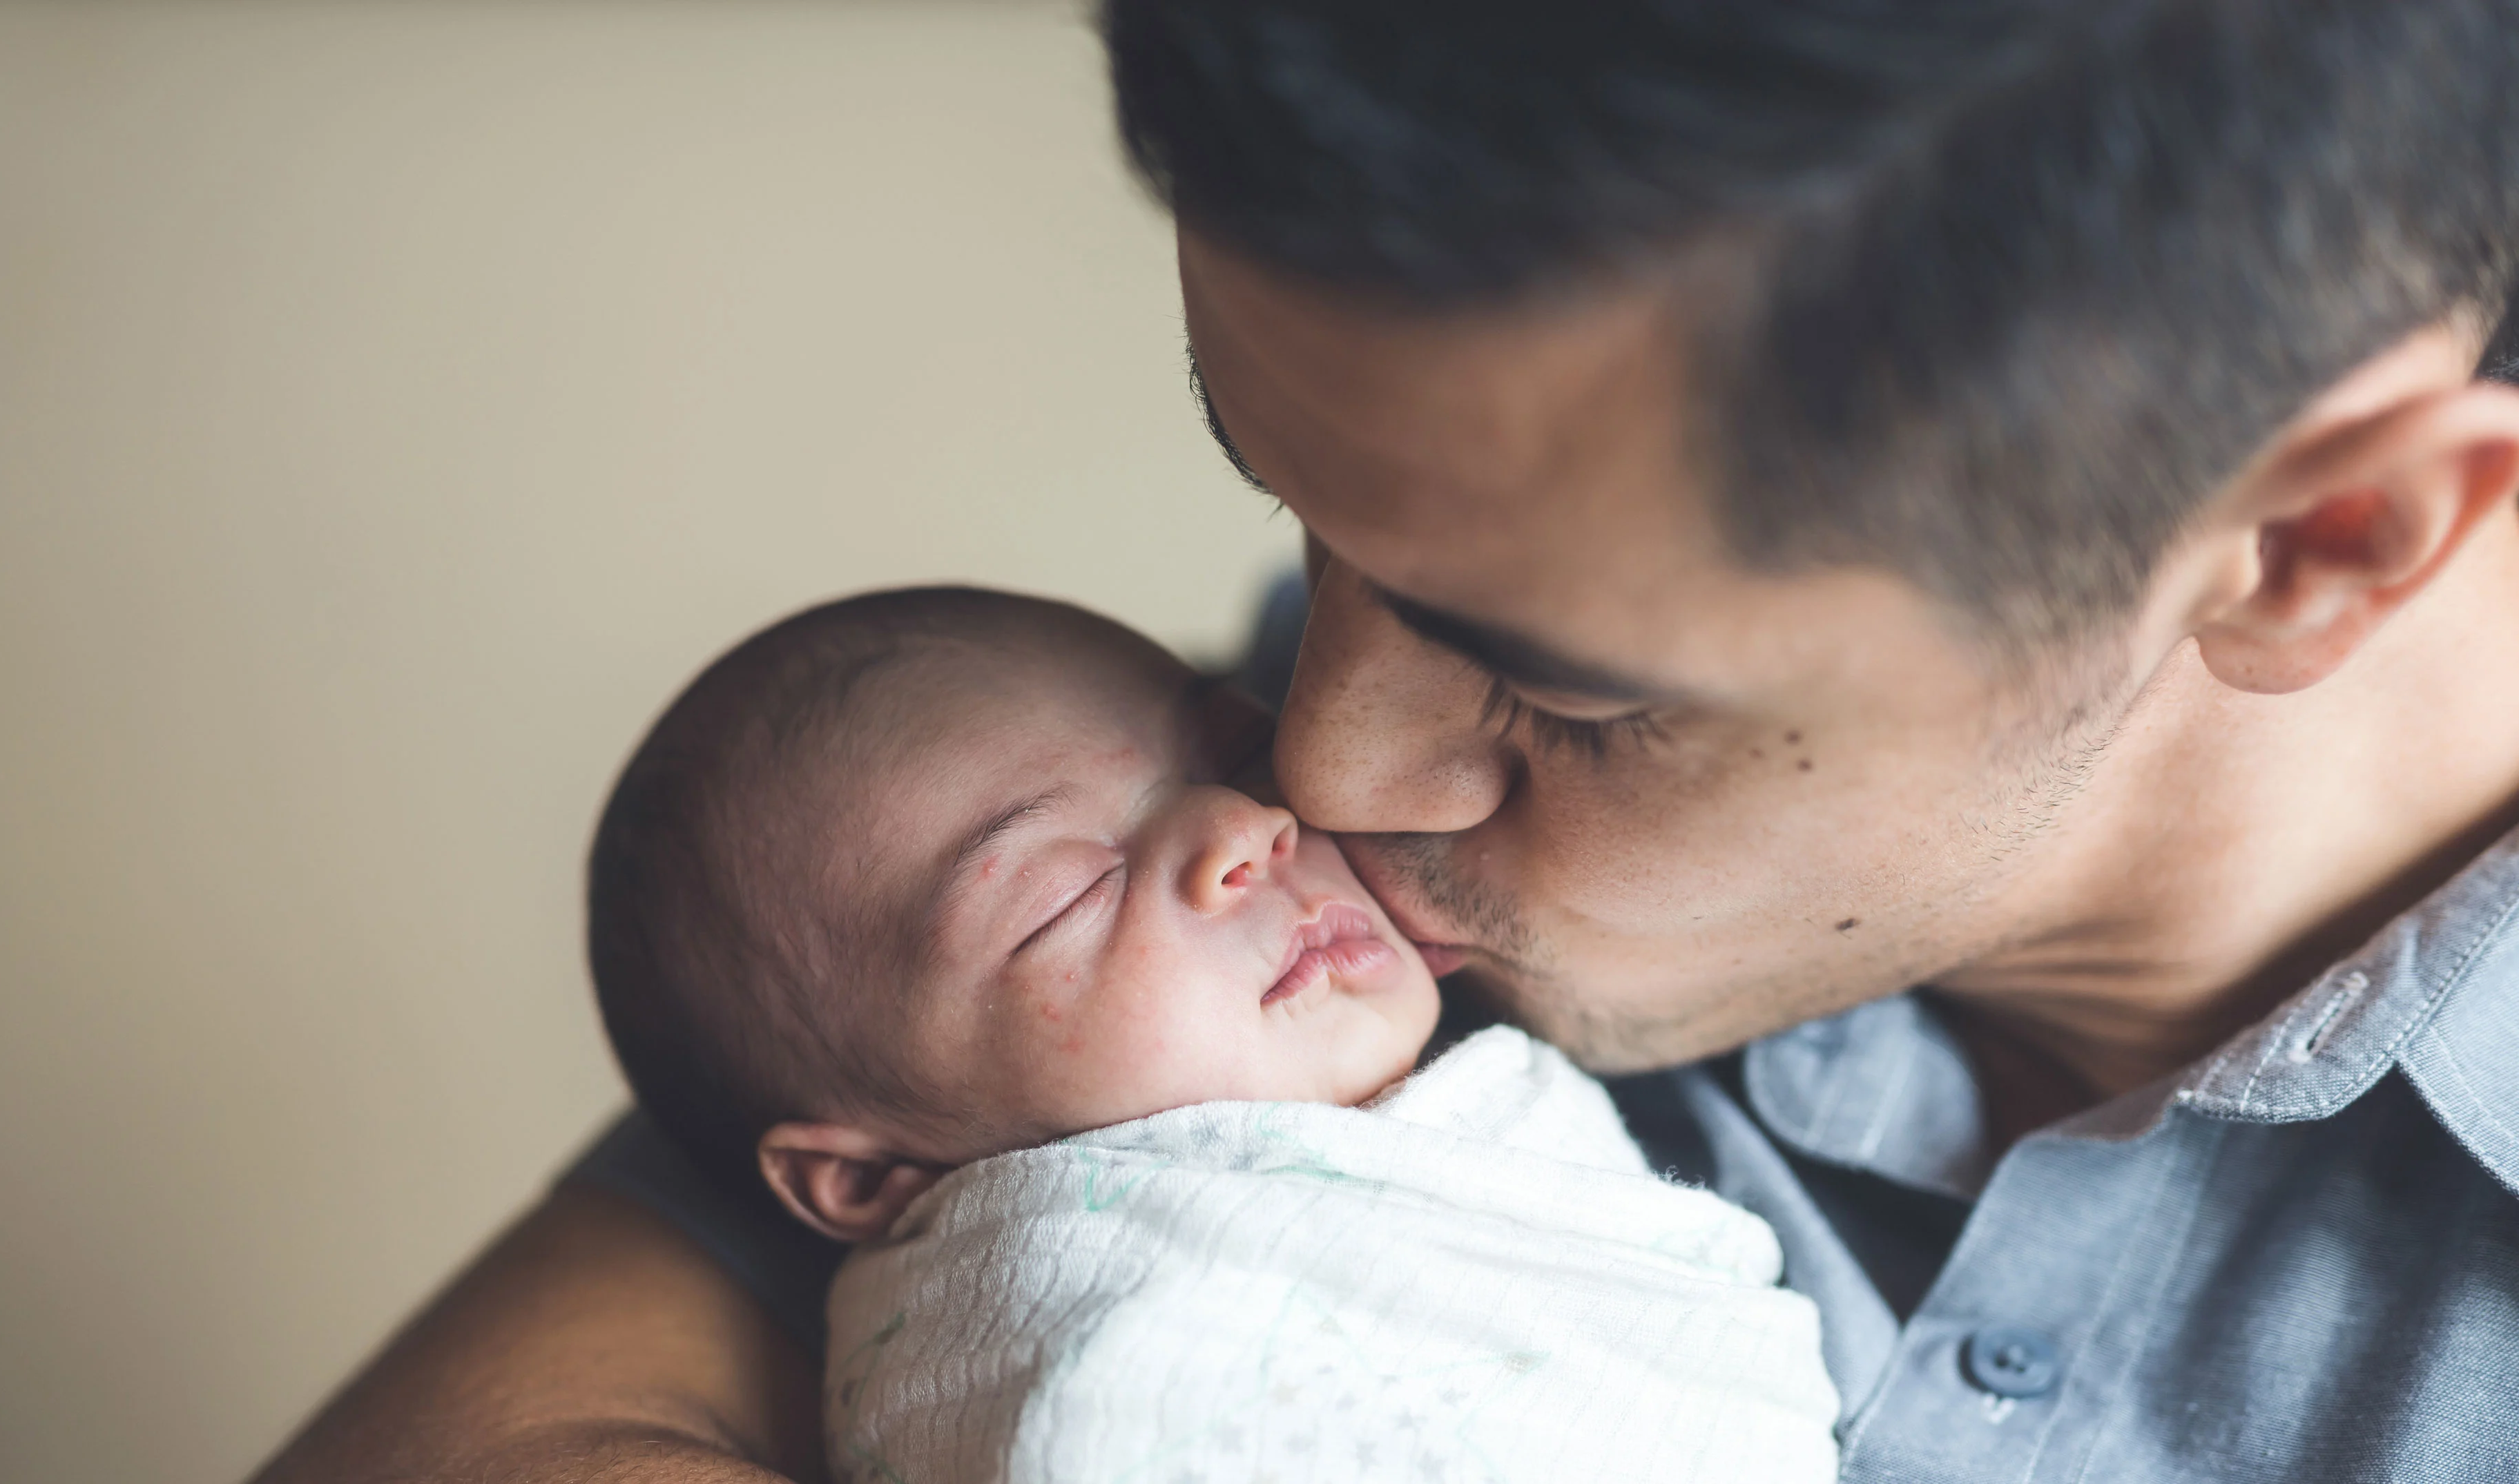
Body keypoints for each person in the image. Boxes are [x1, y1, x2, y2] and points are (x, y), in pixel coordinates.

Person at [253, 3, 2519, 1481]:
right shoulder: (1201, 883)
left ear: (2322, 535)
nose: (1320, 758)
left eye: (1562, 677)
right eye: (1295, 513)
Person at [581, 585, 1838, 1483]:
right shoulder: (1090, 1335)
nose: (1253, 831)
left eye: (1242, 758)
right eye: (1066, 895)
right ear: (868, 1175)